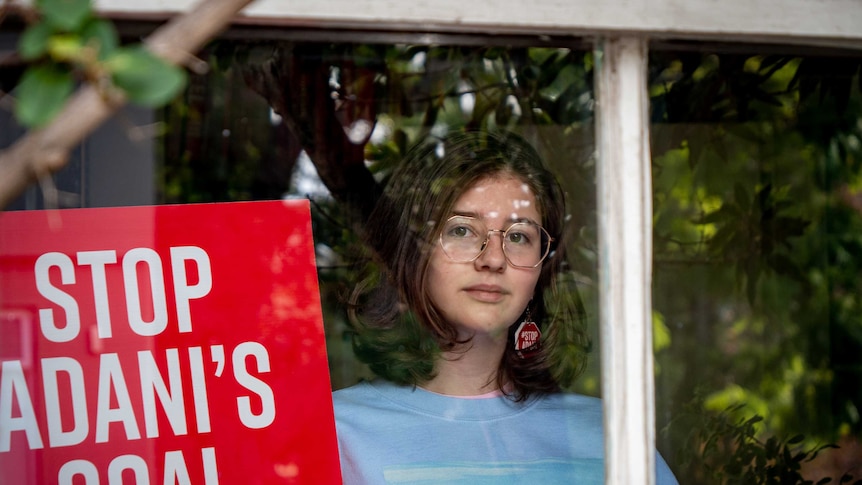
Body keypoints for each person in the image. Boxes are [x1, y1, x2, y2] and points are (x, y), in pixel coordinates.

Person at [332, 130, 678, 484]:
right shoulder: (333, 431)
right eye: (462, 230)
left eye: (518, 236)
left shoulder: (609, 436)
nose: (494, 259)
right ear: (410, 252)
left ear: (541, 271)